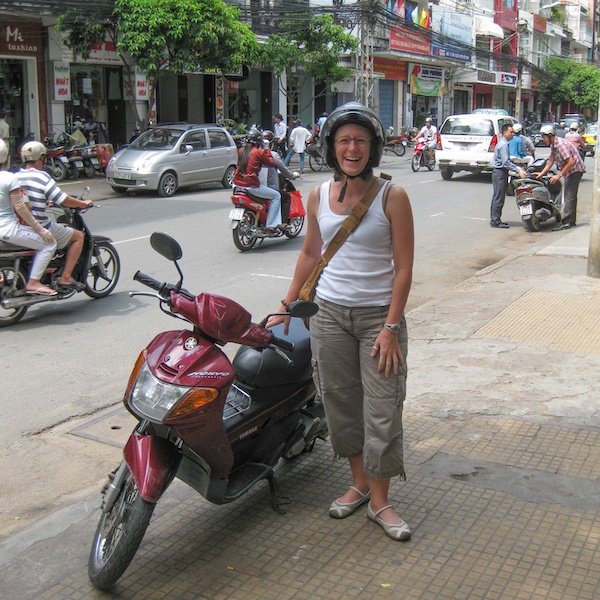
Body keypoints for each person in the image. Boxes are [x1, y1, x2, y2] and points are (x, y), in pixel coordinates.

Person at [269, 102, 414, 542]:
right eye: (345, 140)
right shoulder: (317, 195)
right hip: (328, 315)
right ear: (332, 147)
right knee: (340, 403)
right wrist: (286, 303)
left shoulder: (393, 196)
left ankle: (381, 501)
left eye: (361, 141)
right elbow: (311, 253)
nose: (353, 148)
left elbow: (404, 267)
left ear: (373, 148)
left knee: (383, 408)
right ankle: (359, 483)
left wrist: (391, 328)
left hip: (378, 320)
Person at [17, 141, 93, 289]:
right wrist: (82, 203)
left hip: (21, 227)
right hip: (40, 227)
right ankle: (65, 277)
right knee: (78, 236)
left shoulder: (17, 176)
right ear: (40, 158)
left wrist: (45, 202)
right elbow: (63, 199)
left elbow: (27, 199)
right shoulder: (42, 176)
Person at [0, 140, 57, 296]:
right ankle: (33, 282)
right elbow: (21, 207)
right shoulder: (9, 178)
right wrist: (41, 230)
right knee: (50, 244)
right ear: (6, 156)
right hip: (8, 230)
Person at [535, 124, 586, 230]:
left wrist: (559, 175)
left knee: (569, 195)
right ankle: (571, 220)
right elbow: (551, 160)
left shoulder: (561, 145)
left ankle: (567, 222)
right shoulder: (554, 145)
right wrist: (542, 173)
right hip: (570, 171)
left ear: (550, 135)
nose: (543, 139)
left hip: (575, 170)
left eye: (544, 137)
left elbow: (571, 162)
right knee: (570, 195)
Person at [233, 127, 283, 233]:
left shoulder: (241, 151)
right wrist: (267, 149)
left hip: (237, 185)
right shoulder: (258, 152)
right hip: (251, 186)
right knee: (276, 196)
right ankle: (271, 224)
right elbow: (271, 163)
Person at [490, 123, 526, 228]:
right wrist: (518, 170)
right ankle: (496, 220)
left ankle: (495, 219)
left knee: (498, 196)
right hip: (500, 172)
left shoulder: (503, 143)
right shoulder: (504, 145)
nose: (512, 134)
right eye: (511, 132)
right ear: (504, 133)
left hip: (500, 172)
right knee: (499, 197)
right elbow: (505, 162)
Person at [259, 131, 299, 225]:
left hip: (249, 185)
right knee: (284, 197)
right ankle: (282, 223)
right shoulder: (272, 155)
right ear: (271, 144)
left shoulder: (252, 153)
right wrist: (292, 176)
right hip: (265, 187)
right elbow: (284, 169)